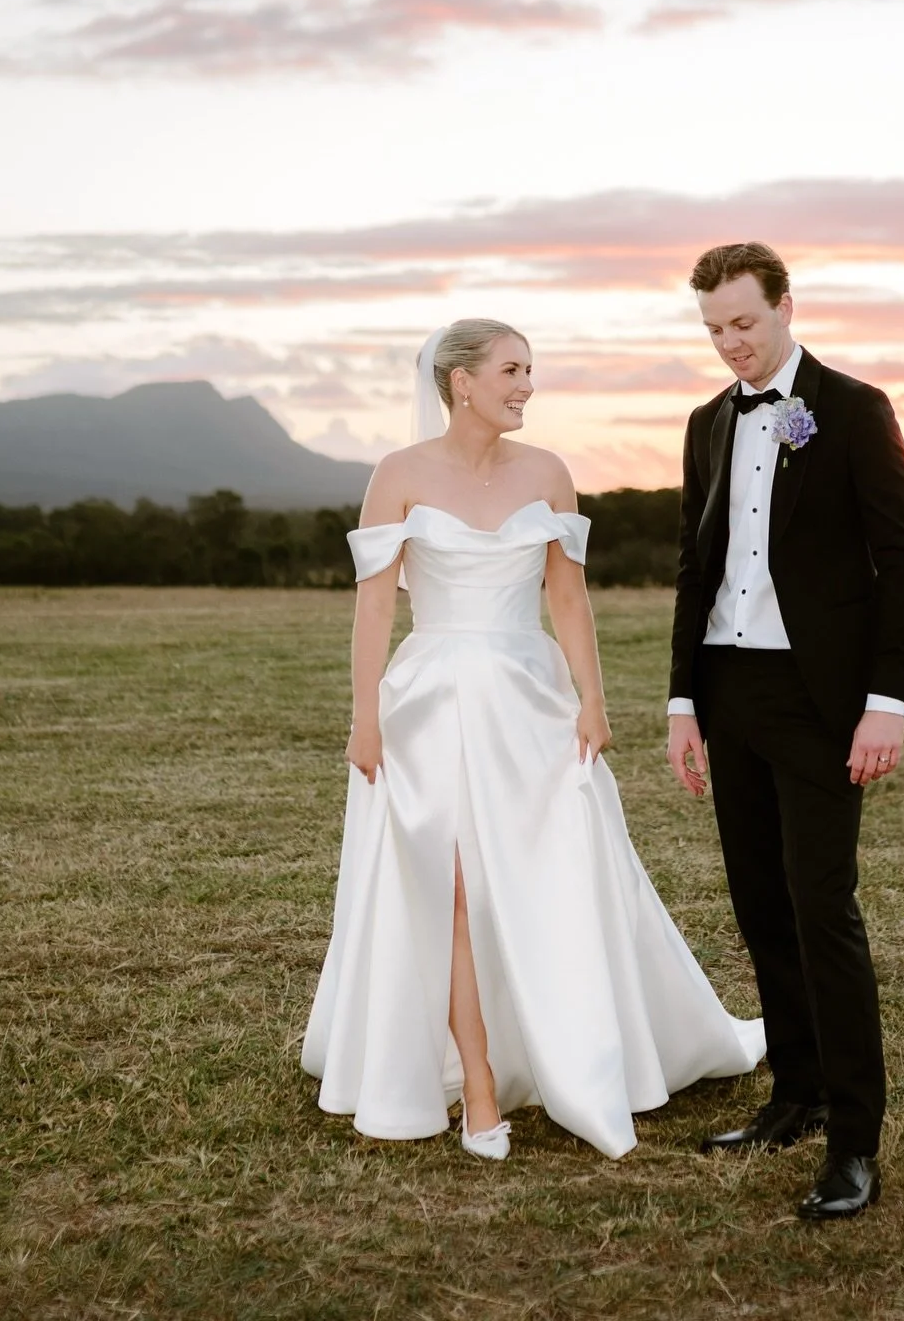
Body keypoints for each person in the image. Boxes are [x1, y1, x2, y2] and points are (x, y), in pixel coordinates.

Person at [301, 318, 764, 1160]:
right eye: (512, 370)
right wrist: (363, 715)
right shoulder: (397, 475)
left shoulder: (549, 473)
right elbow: (373, 604)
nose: (526, 386)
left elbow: (568, 598)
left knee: (554, 873)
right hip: (430, 701)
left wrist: (592, 699)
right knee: (449, 889)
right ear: (461, 382)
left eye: (529, 371)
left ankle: (572, 1045)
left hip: (530, 701)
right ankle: (477, 1088)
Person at [665, 243, 904, 1221]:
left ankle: (855, 1143)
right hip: (728, 696)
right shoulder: (703, 425)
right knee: (760, 905)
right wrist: (683, 703)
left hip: (823, 703)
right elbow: (695, 569)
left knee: (824, 911)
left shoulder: (855, 410)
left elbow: (901, 564)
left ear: (784, 306)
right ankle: (798, 1096)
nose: (731, 344)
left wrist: (889, 703)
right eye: (715, 329)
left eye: (745, 323)